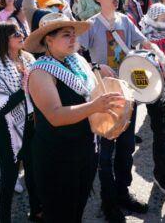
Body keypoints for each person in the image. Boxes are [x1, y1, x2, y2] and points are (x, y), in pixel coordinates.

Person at [77, 0, 165, 220]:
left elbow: (144, 41)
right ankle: (108, 201)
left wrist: (158, 52)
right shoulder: (90, 25)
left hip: (129, 92)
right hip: (104, 96)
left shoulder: (125, 21)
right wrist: (96, 66)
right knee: (105, 151)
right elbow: (76, 55)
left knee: (126, 147)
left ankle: (123, 192)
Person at [26, 13, 125, 223]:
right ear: (48, 40)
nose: (73, 39)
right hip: (57, 157)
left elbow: (90, 86)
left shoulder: (76, 60)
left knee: (77, 210)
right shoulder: (40, 72)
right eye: (65, 34)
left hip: (84, 149)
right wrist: (95, 106)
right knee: (61, 214)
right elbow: (55, 116)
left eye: (73, 34)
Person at [0, 22, 41, 222]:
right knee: (9, 176)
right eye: (15, 33)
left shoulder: (29, 58)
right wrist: (22, 90)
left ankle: (36, 211)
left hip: (32, 124)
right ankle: (4, 218)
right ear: (4, 40)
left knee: (33, 172)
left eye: (20, 31)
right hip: (7, 128)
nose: (21, 34)